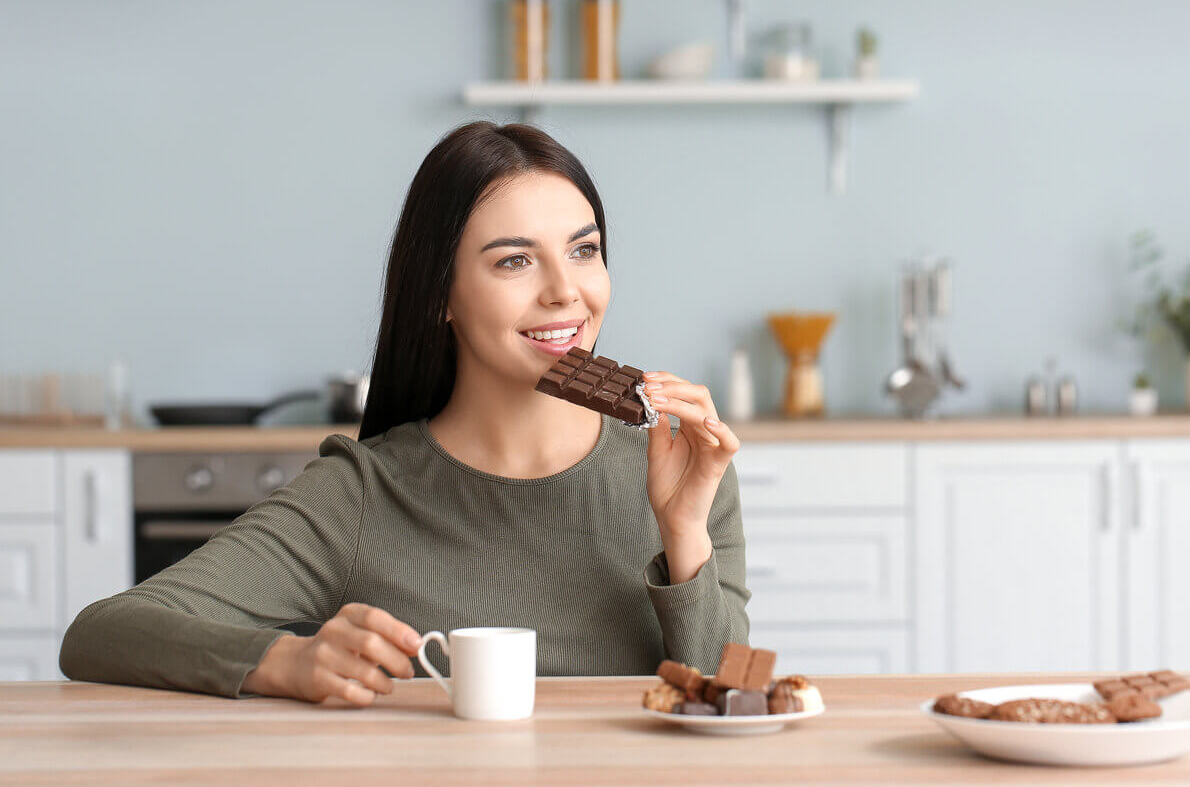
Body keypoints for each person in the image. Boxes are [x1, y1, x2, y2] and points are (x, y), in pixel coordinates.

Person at [59, 121, 749, 706]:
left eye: (584, 249)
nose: (566, 292)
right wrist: (284, 663)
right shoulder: (364, 495)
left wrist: (683, 532)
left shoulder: (681, 468)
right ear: (439, 294)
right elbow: (103, 633)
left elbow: (734, 699)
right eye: (515, 261)